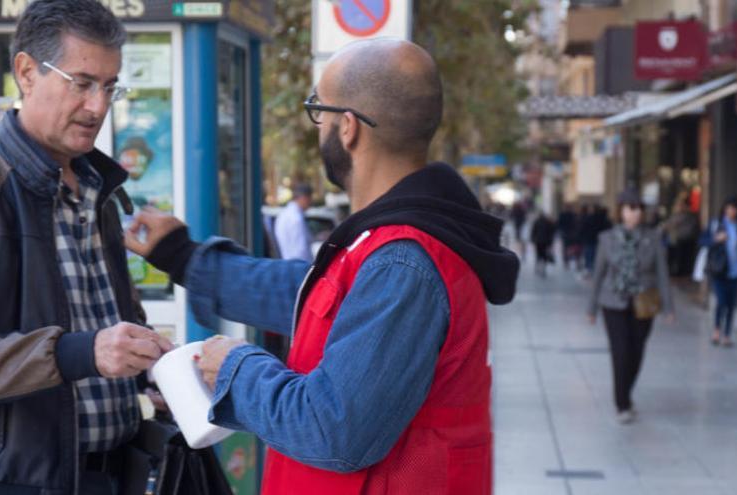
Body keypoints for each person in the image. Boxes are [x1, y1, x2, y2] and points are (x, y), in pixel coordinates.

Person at [126, 39, 519, 494]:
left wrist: (236, 366)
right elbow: (308, 296)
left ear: (348, 128)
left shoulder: (403, 261)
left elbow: (336, 430)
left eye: (319, 110)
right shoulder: (388, 243)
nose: (319, 127)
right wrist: (181, 256)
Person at [0, 1, 174, 493]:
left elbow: (104, 329)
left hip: (113, 474)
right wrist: (77, 352)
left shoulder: (99, 188)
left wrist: (153, 369)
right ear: (26, 73)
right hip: (14, 482)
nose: (98, 106)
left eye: (110, 86)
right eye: (83, 82)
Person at [587, 189, 673, 424]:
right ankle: (621, 403)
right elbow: (598, 273)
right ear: (621, 211)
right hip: (612, 302)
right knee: (620, 351)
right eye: (628, 209)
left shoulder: (653, 238)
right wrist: (591, 308)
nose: (633, 214)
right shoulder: (606, 238)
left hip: (643, 302)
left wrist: (669, 307)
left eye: (637, 209)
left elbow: (662, 274)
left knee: (636, 352)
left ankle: (627, 392)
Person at [702, 196, 737, 346]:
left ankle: (727, 335)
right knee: (721, 301)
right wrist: (716, 239)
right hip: (719, 270)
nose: (731, 211)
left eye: (735, 208)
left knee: (731, 304)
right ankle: (717, 330)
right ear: (725, 208)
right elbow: (702, 241)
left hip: (735, 271)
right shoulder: (716, 223)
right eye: (729, 207)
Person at [273, 183, 314, 261]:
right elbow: (301, 250)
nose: (311, 202)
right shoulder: (296, 218)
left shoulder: (285, 214)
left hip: (289, 263)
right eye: (310, 199)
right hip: (298, 266)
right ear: (304, 198)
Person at [662, 195, 700, 277]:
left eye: (680, 205)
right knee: (672, 258)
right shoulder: (675, 215)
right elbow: (667, 225)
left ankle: (681, 273)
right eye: (678, 205)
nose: (678, 207)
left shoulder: (690, 216)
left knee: (683, 260)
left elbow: (690, 230)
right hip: (674, 241)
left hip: (685, 241)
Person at [530, 211, 556, 277]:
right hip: (545, 241)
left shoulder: (537, 222)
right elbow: (551, 232)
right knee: (544, 254)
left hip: (538, 241)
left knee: (538, 254)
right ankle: (543, 268)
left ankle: (538, 267)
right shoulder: (548, 222)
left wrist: (532, 239)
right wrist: (550, 242)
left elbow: (533, 231)